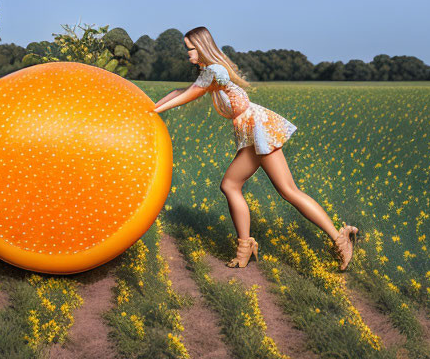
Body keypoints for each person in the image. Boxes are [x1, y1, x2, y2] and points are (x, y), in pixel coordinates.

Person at [152, 26, 358, 270]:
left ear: (202, 47)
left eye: (191, 49)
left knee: (275, 189)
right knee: (251, 187)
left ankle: (337, 240)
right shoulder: (209, 72)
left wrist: (156, 111)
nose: (188, 54)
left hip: (257, 128)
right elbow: (181, 91)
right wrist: (151, 109)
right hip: (253, 130)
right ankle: (248, 246)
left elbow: (189, 95)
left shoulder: (215, 71)